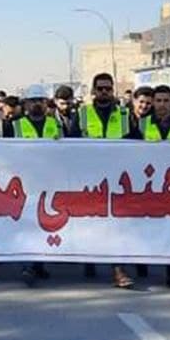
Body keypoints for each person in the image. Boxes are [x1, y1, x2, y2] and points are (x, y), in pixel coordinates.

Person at [71, 72, 137, 288]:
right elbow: (71, 144)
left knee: (116, 225)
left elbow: (138, 143)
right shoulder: (82, 114)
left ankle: (118, 270)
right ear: (93, 91)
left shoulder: (126, 115)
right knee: (90, 223)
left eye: (108, 88)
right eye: (100, 89)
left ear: (113, 90)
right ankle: (89, 258)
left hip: (118, 180)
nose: (104, 92)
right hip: (89, 180)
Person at [135, 85, 170, 290]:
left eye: (166, 101)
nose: (162, 105)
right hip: (146, 183)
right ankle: (141, 262)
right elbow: (126, 146)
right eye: (158, 101)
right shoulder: (140, 123)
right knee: (146, 225)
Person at [9, 84, 59, 286]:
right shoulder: (14, 125)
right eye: (33, 101)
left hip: (49, 182)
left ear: (46, 103)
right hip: (24, 182)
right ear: (26, 104)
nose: (37, 104)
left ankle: (38, 264)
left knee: (43, 224)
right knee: (26, 224)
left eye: (41, 100)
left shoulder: (56, 124)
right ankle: (28, 264)